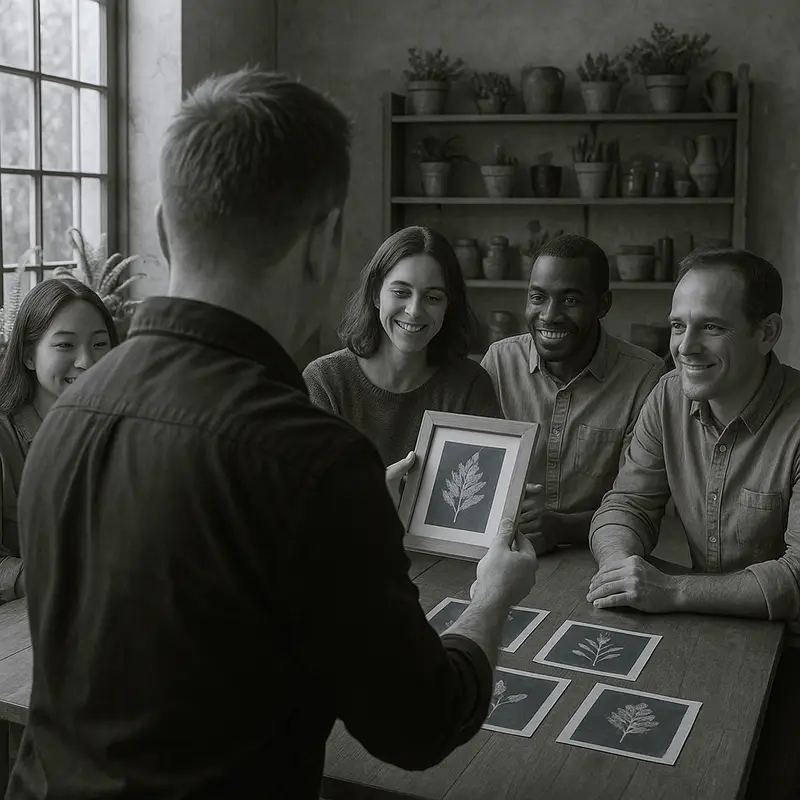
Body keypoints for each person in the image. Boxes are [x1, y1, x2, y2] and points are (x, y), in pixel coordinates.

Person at [7, 69, 538, 800]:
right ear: (324, 243)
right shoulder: (311, 461)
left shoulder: (62, 413)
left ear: (164, 228)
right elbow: (418, 724)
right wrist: (492, 599)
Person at [586, 247, 799, 799]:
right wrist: (621, 567)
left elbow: (798, 579)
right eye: (678, 326)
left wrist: (671, 590)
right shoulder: (667, 396)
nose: (684, 347)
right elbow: (625, 504)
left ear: (768, 331)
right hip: (713, 633)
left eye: (712, 328)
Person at [480, 235, 666, 554]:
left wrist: (560, 527)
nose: (549, 315)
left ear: (603, 304)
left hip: (595, 557)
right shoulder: (499, 362)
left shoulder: (644, 377)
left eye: (570, 300)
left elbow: (639, 508)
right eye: (538, 297)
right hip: (501, 552)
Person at [303, 225, 502, 472]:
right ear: (376, 294)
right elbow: (303, 500)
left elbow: (485, 488)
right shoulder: (325, 382)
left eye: (432, 298)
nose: (414, 310)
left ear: (448, 305)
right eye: (401, 292)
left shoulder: (470, 385)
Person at [0, 277, 118, 603]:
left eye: (99, 344)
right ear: (27, 356)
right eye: (65, 345)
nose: (87, 362)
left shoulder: (125, 429)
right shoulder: (3, 439)